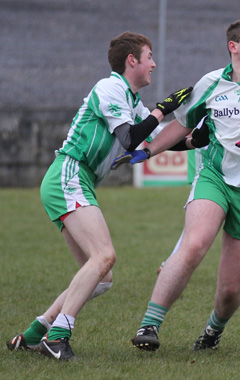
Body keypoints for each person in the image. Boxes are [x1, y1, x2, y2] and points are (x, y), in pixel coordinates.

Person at [112, 18, 240, 353]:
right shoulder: (210, 83)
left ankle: (212, 331)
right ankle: (150, 324)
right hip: (215, 178)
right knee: (194, 244)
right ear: (233, 47)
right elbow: (182, 124)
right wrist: (147, 150)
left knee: (231, 291)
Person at [6, 31, 194, 361]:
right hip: (69, 174)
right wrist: (163, 108)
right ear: (131, 61)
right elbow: (129, 137)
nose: (154, 63)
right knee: (104, 256)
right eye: (149, 56)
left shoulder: (131, 100)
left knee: (101, 277)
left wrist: (196, 135)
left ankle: (37, 333)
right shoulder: (110, 87)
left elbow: (158, 138)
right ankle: (58, 337)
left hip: (80, 180)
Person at [154, 32, 240, 281]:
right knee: (203, 223)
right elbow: (193, 130)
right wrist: (151, 147)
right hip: (214, 164)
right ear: (235, 49)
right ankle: (172, 261)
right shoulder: (217, 85)